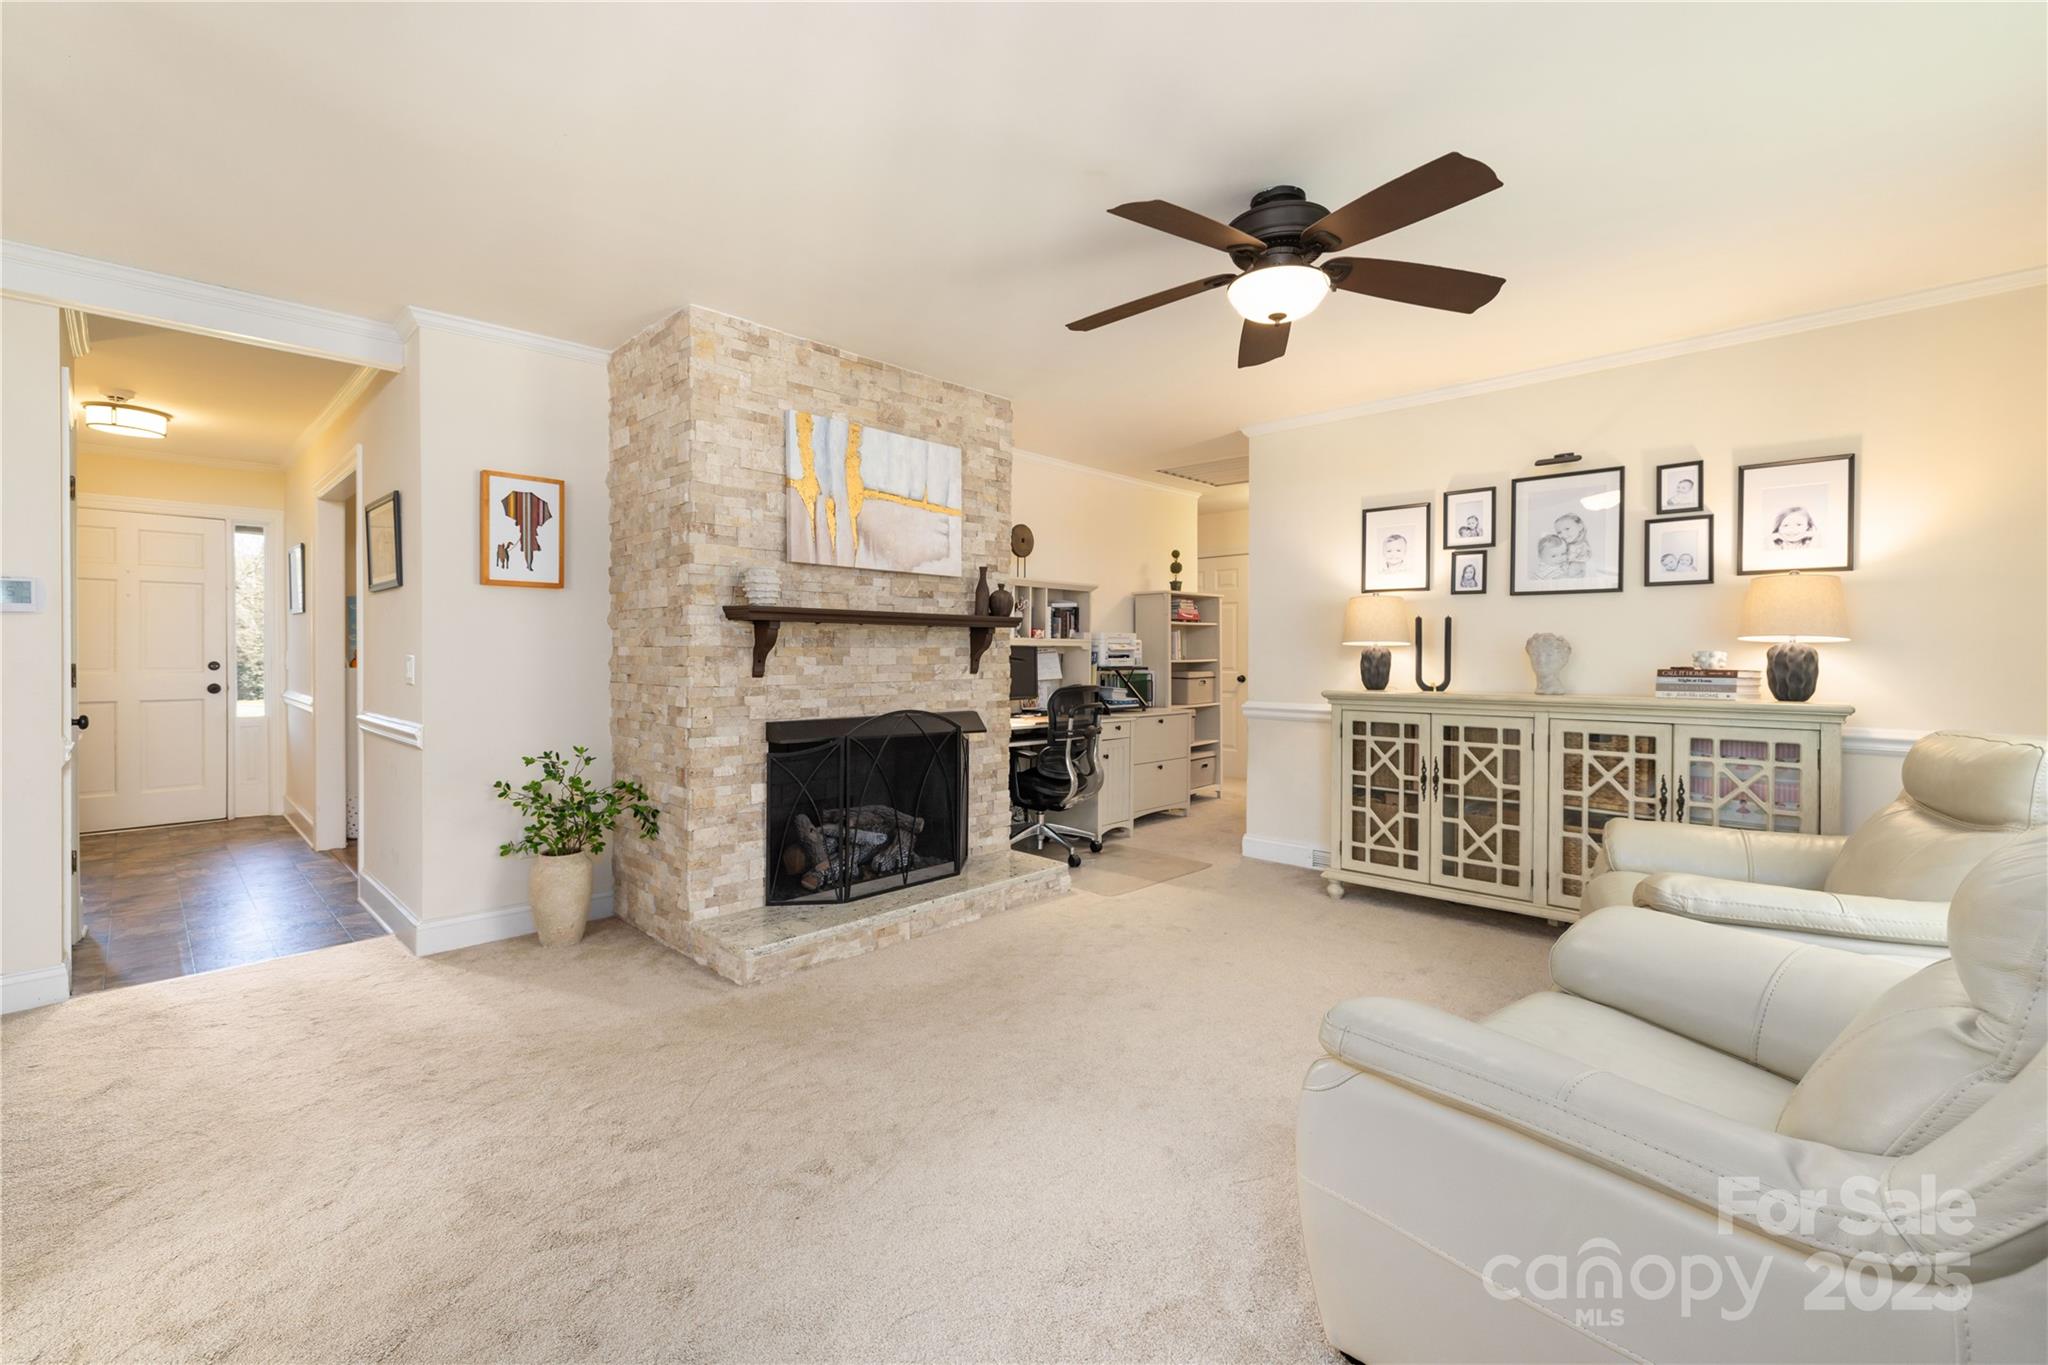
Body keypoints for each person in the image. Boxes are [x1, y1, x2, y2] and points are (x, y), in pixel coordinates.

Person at [1553, 512, 1590, 577]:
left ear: (1580, 527)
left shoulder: (1582, 547)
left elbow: (1576, 568)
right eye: (1559, 532)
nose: (1563, 534)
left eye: (1567, 529)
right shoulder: (1566, 546)